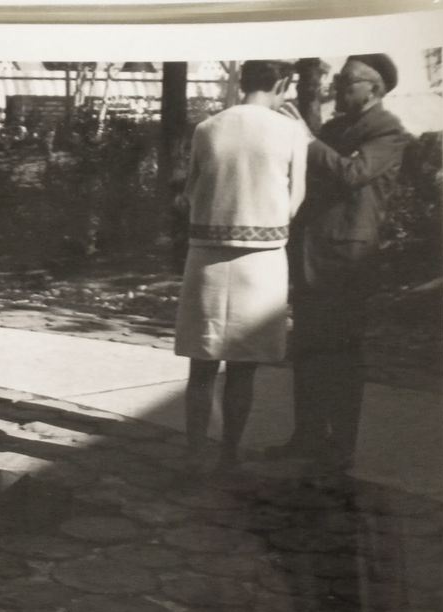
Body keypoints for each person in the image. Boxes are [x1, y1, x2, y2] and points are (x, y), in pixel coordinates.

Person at [269, 53, 411, 471]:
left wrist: (308, 140)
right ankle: (307, 436)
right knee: (309, 350)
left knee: (343, 355)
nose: (338, 89)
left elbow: (352, 175)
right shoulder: (334, 128)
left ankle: (341, 446)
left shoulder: (388, 132)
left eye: (348, 83)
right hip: (314, 255)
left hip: (348, 261)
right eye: (339, 81)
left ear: (374, 89)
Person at [173, 59, 308, 472]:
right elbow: (294, 201)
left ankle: (195, 451)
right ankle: (229, 454)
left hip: (208, 258)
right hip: (261, 260)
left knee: (203, 363)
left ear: (241, 82)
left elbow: (191, 193)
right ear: (282, 83)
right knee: (244, 369)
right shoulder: (291, 132)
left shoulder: (207, 128)